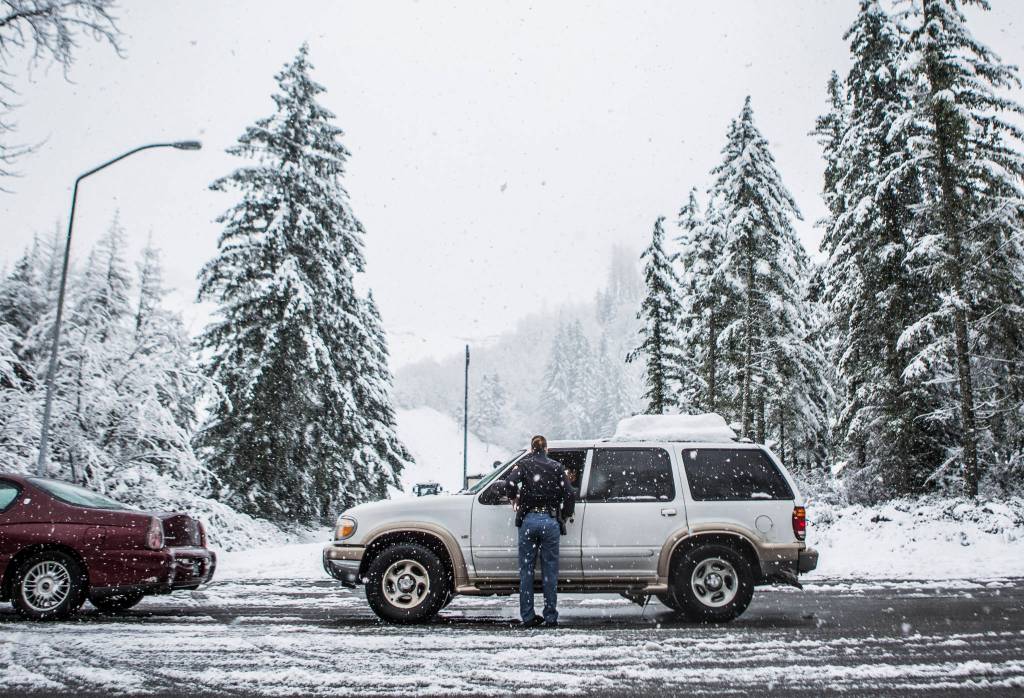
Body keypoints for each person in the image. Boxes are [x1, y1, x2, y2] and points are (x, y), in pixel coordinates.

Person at [505, 434, 575, 628]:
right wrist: (566, 513)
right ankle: (550, 616)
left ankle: (528, 616)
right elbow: (569, 493)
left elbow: (509, 483)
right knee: (549, 572)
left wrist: (515, 498)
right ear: (547, 449)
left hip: (528, 521)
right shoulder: (556, 467)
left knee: (526, 571)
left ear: (531, 449)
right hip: (550, 521)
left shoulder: (525, 465)